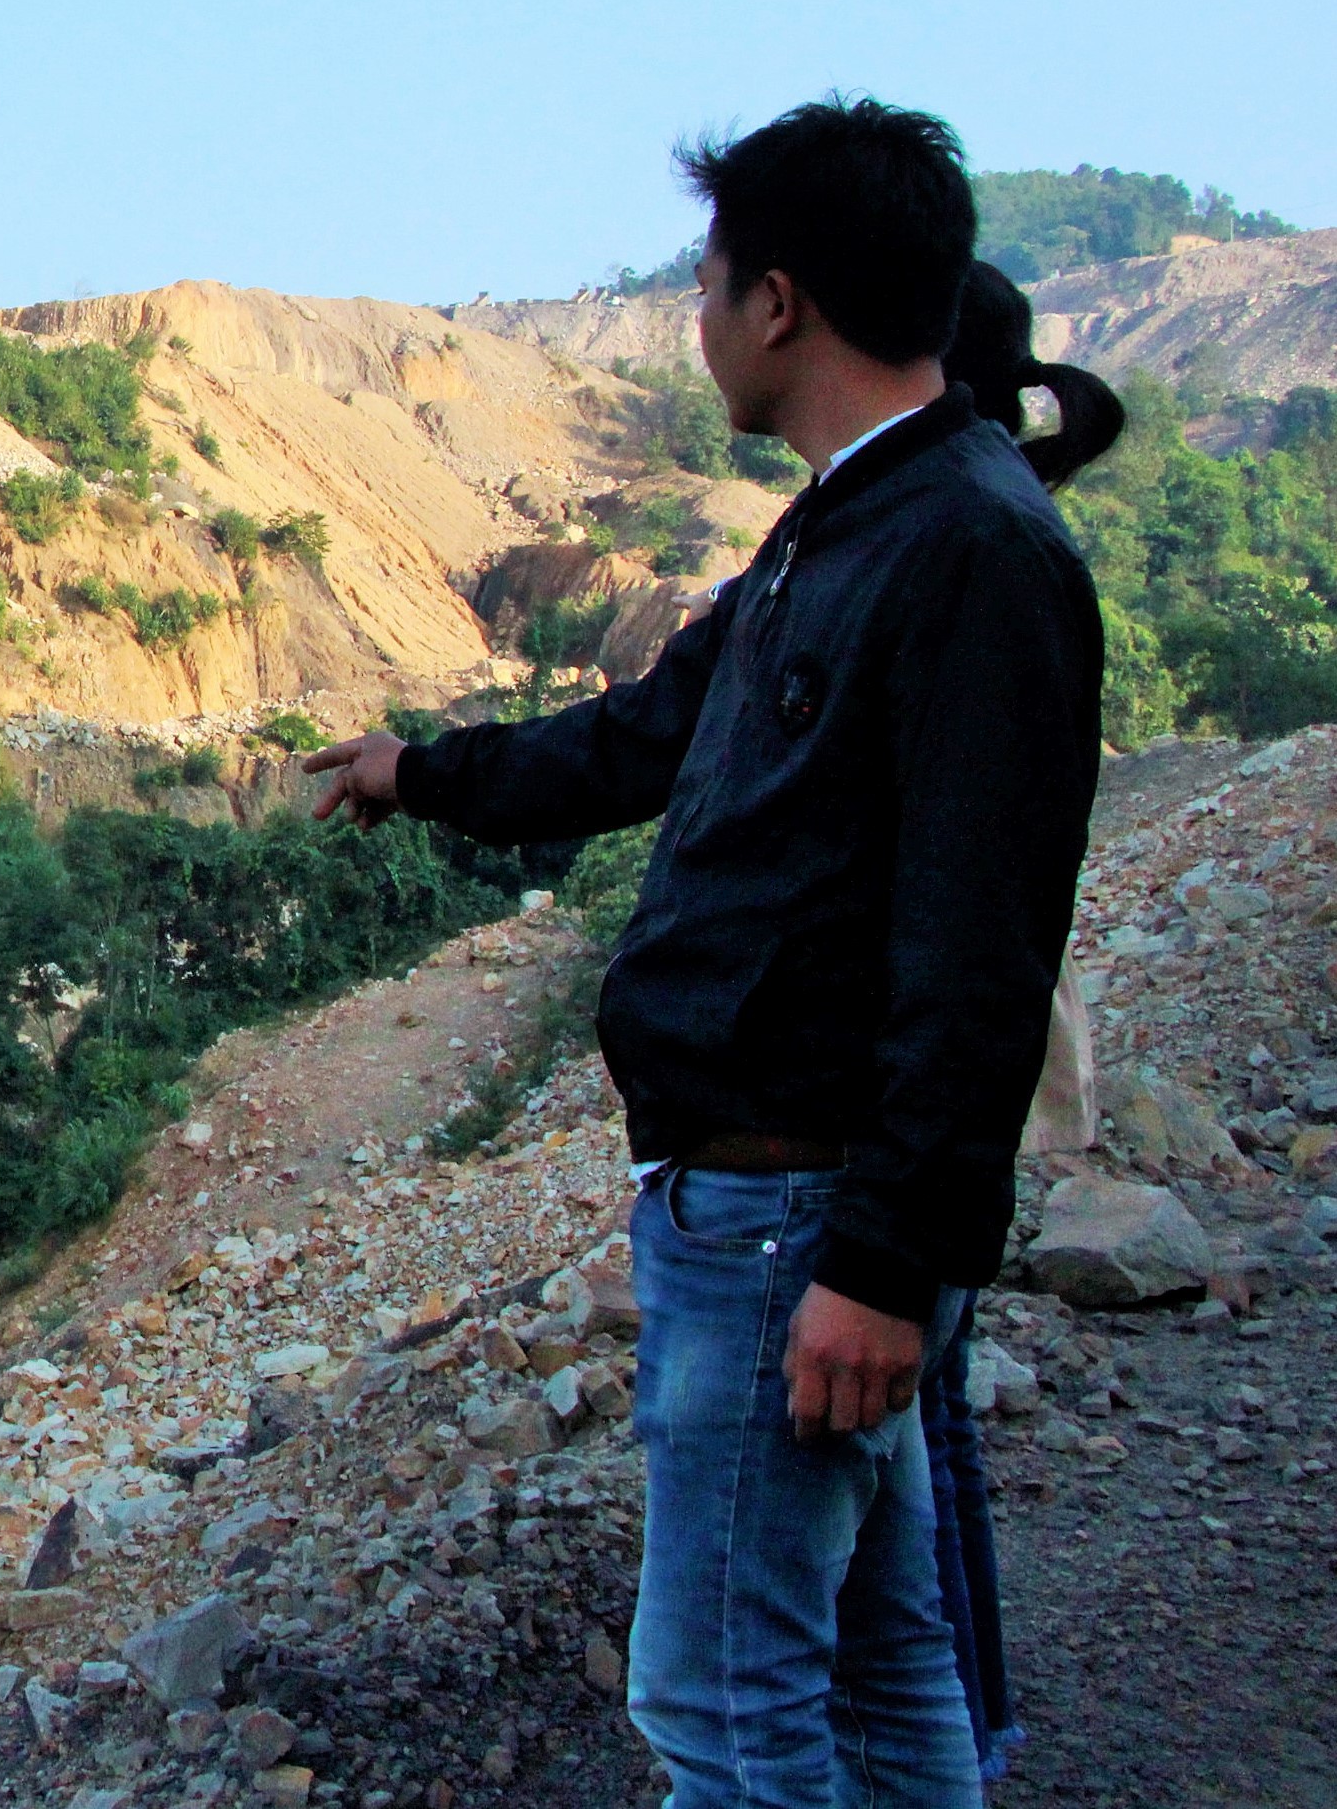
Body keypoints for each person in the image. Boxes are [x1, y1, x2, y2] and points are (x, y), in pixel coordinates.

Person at [305, 100, 1105, 1808]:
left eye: (707, 281)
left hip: (793, 1228)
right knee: (889, 1690)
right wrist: (418, 771)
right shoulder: (837, 531)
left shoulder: (968, 550)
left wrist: (884, 1268)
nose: (695, 319)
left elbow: (981, 949)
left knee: (721, 1716)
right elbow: (633, 742)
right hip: (766, 1212)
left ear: (777, 305)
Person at [917, 257, 1125, 1785]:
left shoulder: (974, 548)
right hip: (963, 1074)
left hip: (929, 1081)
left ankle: (961, 1736)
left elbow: (968, 892)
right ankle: (969, 1724)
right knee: (932, 1437)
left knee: (919, 1441)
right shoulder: (1007, 520)